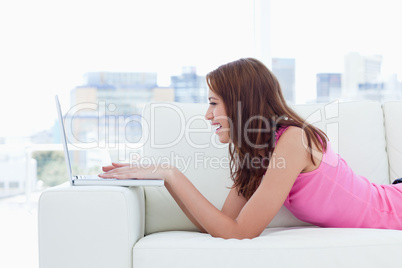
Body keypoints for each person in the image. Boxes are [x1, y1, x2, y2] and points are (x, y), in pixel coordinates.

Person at [99, 58, 402, 239]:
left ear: (241, 105)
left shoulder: (293, 141)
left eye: (213, 104)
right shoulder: (260, 156)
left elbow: (241, 232)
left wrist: (172, 174)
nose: (207, 116)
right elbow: (221, 225)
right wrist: (165, 176)